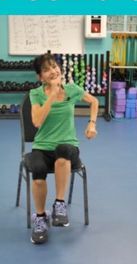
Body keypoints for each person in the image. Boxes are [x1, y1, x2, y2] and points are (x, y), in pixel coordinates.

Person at [29, 53, 98, 244]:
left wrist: (92, 123)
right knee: (38, 170)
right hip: (42, 146)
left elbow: (94, 101)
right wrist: (51, 95)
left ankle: (59, 205)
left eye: (54, 66)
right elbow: (36, 121)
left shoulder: (72, 89)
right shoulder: (35, 94)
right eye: (46, 69)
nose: (52, 71)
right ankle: (41, 218)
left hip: (68, 146)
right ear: (40, 77)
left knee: (64, 153)